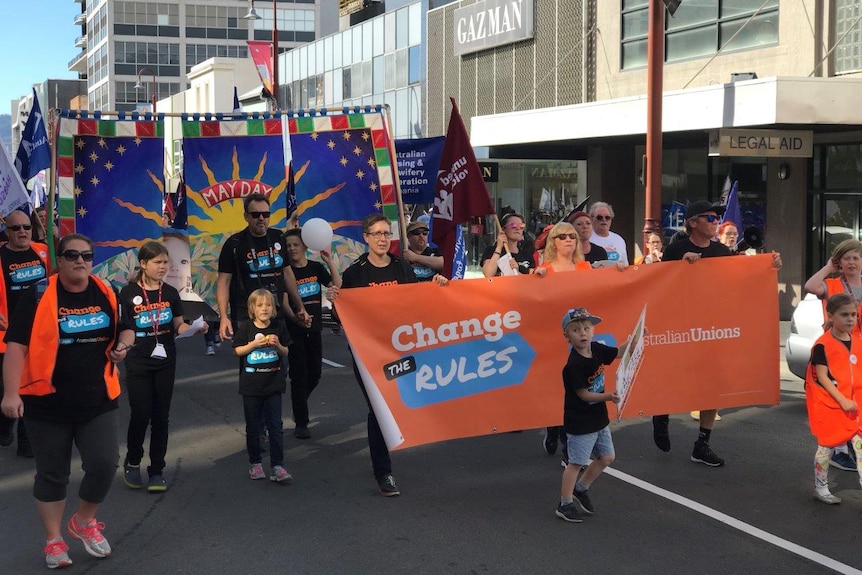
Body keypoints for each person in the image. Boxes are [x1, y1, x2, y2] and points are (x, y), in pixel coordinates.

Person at [1, 234, 129, 569]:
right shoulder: (39, 294)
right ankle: (54, 541)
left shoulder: (106, 291)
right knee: (52, 474)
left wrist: (123, 346)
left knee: (104, 464)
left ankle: (83, 522)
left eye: (87, 255)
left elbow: (126, 328)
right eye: (72, 255)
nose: (80, 261)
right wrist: (11, 393)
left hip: (97, 399)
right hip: (46, 404)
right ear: (60, 258)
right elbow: (16, 346)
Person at [652, 200, 782, 466]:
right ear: (692, 223)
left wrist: (769, 265)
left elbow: (739, 281)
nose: (715, 222)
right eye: (709, 218)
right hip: (681, 326)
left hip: (713, 327)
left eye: (716, 218)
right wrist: (680, 266)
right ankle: (661, 414)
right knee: (673, 378)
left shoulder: (722, 251)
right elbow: (660, 284)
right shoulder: (676, 249)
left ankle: (702, 443)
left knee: (713, 385)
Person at [332, 213, 447, 496]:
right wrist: (336, 300)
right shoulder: (355, 273)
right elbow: (343, 315)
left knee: (395, 405)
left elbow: (415, 304)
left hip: (398, 349)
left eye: (387, 234)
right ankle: (384, 473)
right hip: (367, 352)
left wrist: (438, 288)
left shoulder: (401, 267)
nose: (383, 239)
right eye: (377, 234)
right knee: (378, 407)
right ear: (366, 238)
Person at [116, 241, 208, 493]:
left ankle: (156, 469)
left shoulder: (169, 293)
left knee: (161, 418)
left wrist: (193, 329)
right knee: (141, 414)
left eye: (166, 262)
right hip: (138, 362)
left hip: (166, 360)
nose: (163, 267)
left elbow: (178, 324)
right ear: (143, 264)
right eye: (158, 262)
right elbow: (125, 328)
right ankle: (133, 461)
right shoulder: (127, 293)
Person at [555, 307, 628, 523]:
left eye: (586, 328)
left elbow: (618, 353)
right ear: (567, 336)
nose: (583, 333)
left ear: (593, 331)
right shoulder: (574, 366)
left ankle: (581, 488)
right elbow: (584, 395)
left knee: (607, 456)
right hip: (580, 420)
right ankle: (565, 503)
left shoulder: (596, 349)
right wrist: (609, 397)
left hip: (598, 418)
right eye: (576, 330)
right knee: (576, 463)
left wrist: (634, 342)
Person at [802, 238, 862, 472]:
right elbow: (809, 286)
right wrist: (828, 267)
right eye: (846, 258)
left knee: (856, 396)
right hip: (837, 350)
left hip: (858, 351)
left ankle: (849, 443)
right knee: (839, 398)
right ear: (840, 262)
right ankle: (837, 450)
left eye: (856, 257)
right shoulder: (832, 284)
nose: (852, 262)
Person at [216, 193, 308, 342]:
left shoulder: (278, 237)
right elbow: (223, 282)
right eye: (256, 214)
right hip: (245, 314)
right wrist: (223, 317)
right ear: (246, 216)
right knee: (253, 361)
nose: (261, 218)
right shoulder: (234, 243)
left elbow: (287, 274)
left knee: (279, 359)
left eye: (265, 214)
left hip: (274, 311)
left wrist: (300, 306)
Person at [535, 222, 592, 460]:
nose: (568, 239)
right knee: (556, 390)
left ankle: (569, 449)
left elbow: (602, 290)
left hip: (578, 339)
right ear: (553, 242)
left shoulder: (584, 267)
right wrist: (534, 278)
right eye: (562, 236)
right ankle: (553, 427)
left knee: (575, 391)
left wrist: (621, 271)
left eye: (572, 236)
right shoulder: (545, 269)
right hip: (553, 338)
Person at [0, 210, 50, 458]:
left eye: (26, 227)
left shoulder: (43, 251)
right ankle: (5, 422)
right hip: (6, 335)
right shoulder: (0, 255)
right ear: (7, 232)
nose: (22, 232)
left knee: (31, 385)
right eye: (16, 228)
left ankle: (26, 441)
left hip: (39, 331)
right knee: (7, 387)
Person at [804, 293, 862, 504]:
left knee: (859, 445)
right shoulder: (823, 345)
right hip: (831, 404)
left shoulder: (858, 342)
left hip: (854, 406)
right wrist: (842, 400)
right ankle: (821, 487)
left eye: (853, 315)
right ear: (830, 316)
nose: (850, 319)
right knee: (826, 445)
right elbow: (822, 376)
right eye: (844, 314)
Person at [283, 228, 341, 439]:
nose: (292, 249)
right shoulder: (286, 272)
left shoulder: (315, 268)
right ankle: (301, 422)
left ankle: (299, 405)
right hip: (294, 331)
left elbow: (337, 286)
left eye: (295, 245)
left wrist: (329, 262)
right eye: (288, 246)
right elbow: (283, 302)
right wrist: (296, 316)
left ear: (305, 246)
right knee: (299, 377)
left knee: (315, 374)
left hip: (315, 329)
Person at [232, 288, 292, 483]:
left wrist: (277, 345)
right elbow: (238, 351)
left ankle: (278, 465)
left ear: (273, 309)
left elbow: (286, 352)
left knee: (276, 426)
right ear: (252, 309)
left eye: (268, 305)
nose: (264, 309)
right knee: (253, 426)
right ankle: (255, 463)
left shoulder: (278, 326)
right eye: (259, 305)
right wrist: (253, 345)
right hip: (251, 386)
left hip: (273, 384)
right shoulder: (246, 328)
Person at [481, 212, 536, 277]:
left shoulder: (527, 255)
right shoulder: (491, 250)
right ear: (503, 229)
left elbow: (531, 280)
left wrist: (517, 273)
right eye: (513, 225)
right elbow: (488, 274)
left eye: (521, 226)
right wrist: (498, 248)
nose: (518, 228)